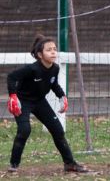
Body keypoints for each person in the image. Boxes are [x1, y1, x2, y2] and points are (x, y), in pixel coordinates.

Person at [6, 34, 88, 173]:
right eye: (49, 50)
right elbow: (11, 77)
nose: (53, 52)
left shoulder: (55, 68)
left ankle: (70, 164)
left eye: (54, 49)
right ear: (40, 54)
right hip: (23, 101)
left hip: (39, 101)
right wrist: (13, 96)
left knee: (58, 131)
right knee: (25, 130)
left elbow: (53, 84)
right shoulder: (32, 69)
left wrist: (62, 96)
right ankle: (14, 164)